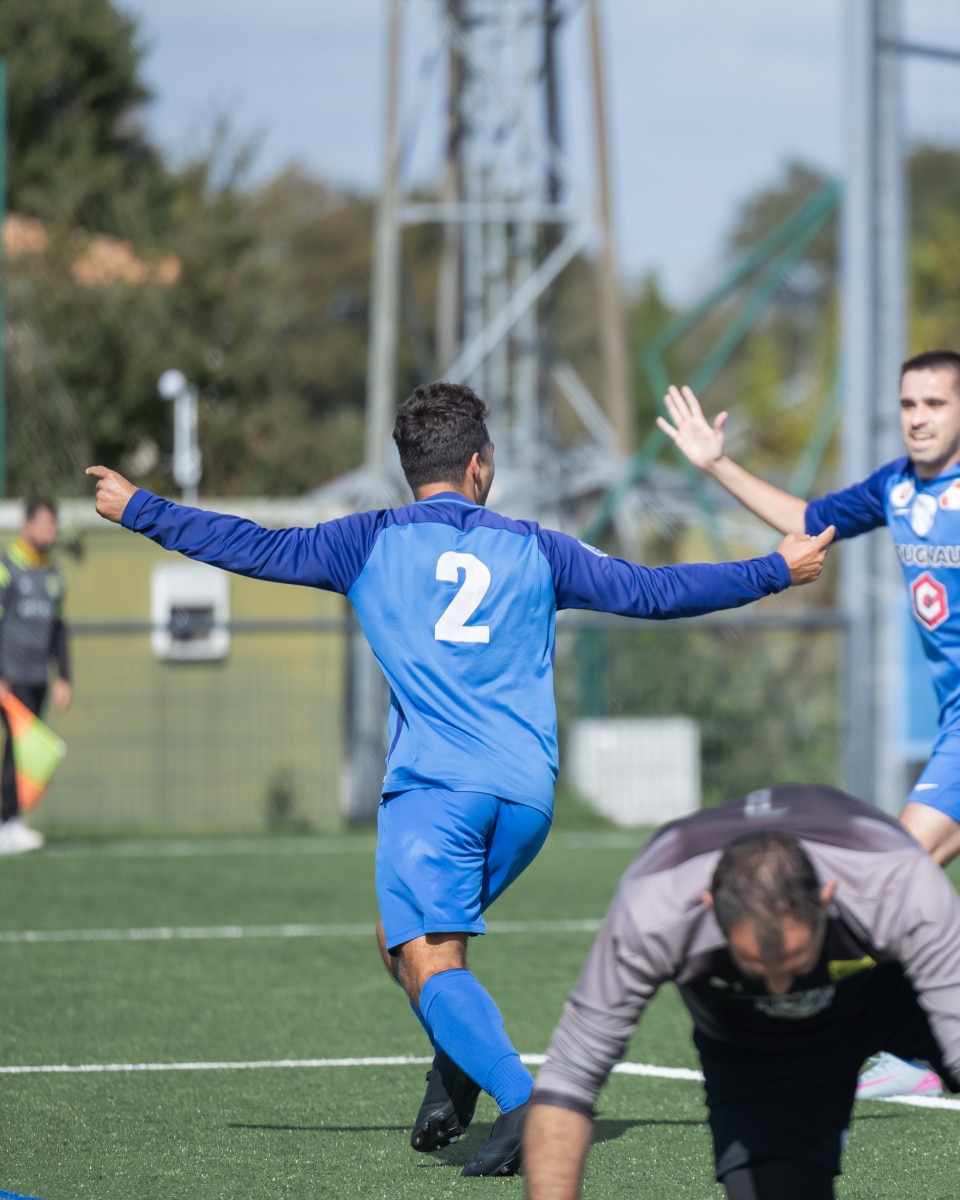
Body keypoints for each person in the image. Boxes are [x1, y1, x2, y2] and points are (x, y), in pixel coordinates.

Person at [87, 380, 833, 1177]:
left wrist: (140, 509)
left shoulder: (366, 540)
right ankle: (457, 1066)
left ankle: (524, 1100)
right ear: (480, 464)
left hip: (436, 794)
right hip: (525, 798)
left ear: (410, 467)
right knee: (398, 941)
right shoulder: (539, 548)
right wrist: (772, 569)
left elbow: (251, 545)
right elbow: (653, 591)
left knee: (430, 961)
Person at [657, 349, 960, 1096]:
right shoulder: (895, 486)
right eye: (909, 404)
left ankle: (908, 1045)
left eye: (936, 404)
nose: (918, 418)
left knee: (896, 868)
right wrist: (715, 464)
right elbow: (806, 520)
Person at [524, 784, 960, 1200]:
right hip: (750, 1032)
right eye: (757, 968)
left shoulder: (899, 885)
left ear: (826, 899)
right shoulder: (654, 907)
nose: (781, 990)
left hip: (887, 993)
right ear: (711, 908)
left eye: (794, 964)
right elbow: (569, 1082)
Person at [0, 498, 72, 855]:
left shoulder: (54, 574)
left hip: (37, 676)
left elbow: (59, 629)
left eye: (53, 524)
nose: (50, 531)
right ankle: (7, 822)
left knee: (24, 752)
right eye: (44, 523)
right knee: (18, 749)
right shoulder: (6, 568)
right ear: (26, 525)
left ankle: (10, 822)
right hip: (9, 676)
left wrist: (64, 677)